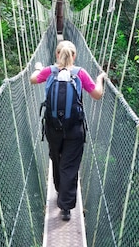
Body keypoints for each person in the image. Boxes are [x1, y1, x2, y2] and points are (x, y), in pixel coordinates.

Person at [30, 40, 106, 221]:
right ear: (75, 56)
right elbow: (97, 95)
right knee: (70, 166)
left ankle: (58, 189)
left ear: (57, 55)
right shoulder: (80, 73)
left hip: (53, 128)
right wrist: (100, 79)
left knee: (56, 159)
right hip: (74, 129)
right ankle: (65, 207)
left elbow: (33, 79)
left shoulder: (49, 71)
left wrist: (38, 67)